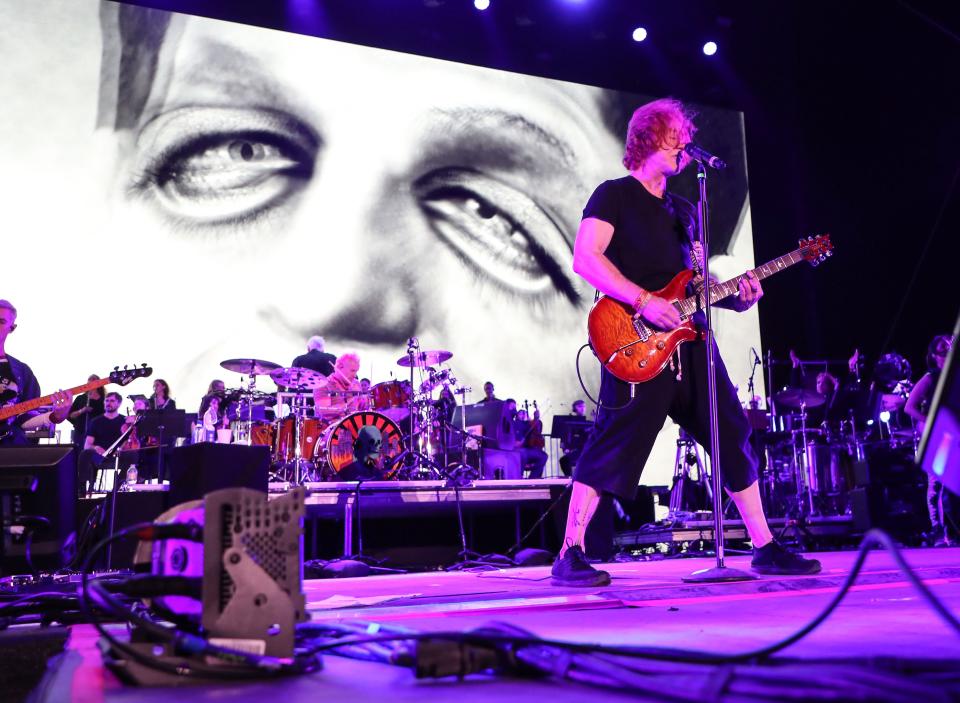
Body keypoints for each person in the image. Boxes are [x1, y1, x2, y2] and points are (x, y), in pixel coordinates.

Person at [552, 98, 820, 587]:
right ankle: (569, 552)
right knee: (614, 442)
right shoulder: (613, 195)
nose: (685, 145)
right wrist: (641, 299)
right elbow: (586, 259)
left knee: (731, 430)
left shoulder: (682, 210)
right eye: (676, 134)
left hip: (691, 342)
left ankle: (764, 546)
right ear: (648, 138)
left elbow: (692, 287)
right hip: (636, 340)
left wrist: (734, 299)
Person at [905, 334, 955, 547]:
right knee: (937, 486)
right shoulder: (930, 378)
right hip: (939, 437)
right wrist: (931, 421)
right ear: (935, 356)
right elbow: (910, 407)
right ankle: (938, 532)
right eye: (943, 350)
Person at [0, 299, 72, 446]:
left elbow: (25, 419)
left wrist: (55, 416)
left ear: (11, 328)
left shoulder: (22, 372)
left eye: (1, 321)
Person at [79, 391, 127, 491]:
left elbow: (127, 441)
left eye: (112, 401)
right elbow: (87, 445)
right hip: (100, 456)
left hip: (118, 454)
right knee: (85, 453)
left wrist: (121, 448)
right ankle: (82, 488)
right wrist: (95, 447)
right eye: (107, 400)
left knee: (133, 455)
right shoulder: (96, 421)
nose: (108, 403)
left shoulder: (124, 420)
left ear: (119, 403)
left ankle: (117, 488)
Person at [67, 374, 105, 446]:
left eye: (94, 383)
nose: (91, 385)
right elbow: (70, 415)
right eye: (89, 383)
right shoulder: (80, 398)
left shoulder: (105, 400)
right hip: (80, 433)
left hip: (99, 434)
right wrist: (82, 411)